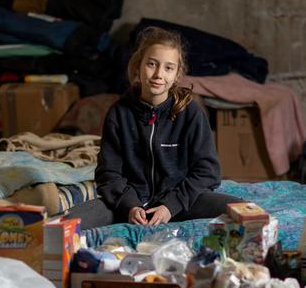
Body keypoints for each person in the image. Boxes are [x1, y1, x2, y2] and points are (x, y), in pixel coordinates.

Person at [65, 27, 241, 230]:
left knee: (246, 212)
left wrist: (170, 206)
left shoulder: (191, 113)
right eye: (151, 64)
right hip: (129, 205)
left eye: (168, 68)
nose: (158, 74)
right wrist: (130, 206)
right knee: (63, 223)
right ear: (138, 66)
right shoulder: (119, 113)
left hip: (182, 203)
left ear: (177, 75)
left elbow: (208, 171)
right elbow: (109, 174)